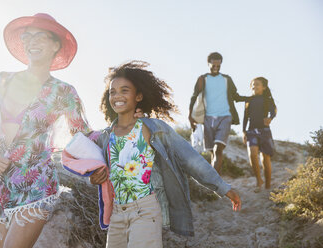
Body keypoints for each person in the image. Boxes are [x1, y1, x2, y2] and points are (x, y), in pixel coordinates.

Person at [0, 13, 93, 248]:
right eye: (28, 37)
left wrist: (124, 128)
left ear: (55, 45)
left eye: (41, 36)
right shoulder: (0, 81)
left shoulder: (63, 92)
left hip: (37, 182)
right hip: (1, 186)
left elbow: (83, 135)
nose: (32, 42)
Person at [90, 61, 241, 248]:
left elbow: (191, 159)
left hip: (144, 210)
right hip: (116, 214)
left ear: (139, 95)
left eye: (124, 90)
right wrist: (95, 177)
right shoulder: (106, 136)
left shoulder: (152, 129)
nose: (117, 96)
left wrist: (222, 187)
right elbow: (95, 169)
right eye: (112, 92)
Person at [188, 52, 249, 174]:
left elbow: (235, 96)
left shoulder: (227, 79)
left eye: (218, 65)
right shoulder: (202, 79)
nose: (216, 68)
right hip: (208, 119)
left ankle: (215, 181)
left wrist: (250, 98)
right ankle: (214, 179)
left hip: (225, 117)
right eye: (213, 65)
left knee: (218, 149)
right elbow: (194, 97)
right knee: (212, 151)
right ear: (208, 64)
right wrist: (190, 116)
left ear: (221, 64)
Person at [242, 77, 276, 192]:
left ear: (264, 87)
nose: (254, 86)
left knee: (265, 158)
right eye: (252, 84)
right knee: (252, 154)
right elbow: (245, 116)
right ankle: (258, 180)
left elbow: (274, 110)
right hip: (251, 131)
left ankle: (267, 184)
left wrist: (270, 118)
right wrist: (243, 131)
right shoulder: (249, 100)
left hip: (264, 131)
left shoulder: (267, 99)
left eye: (257, 84)